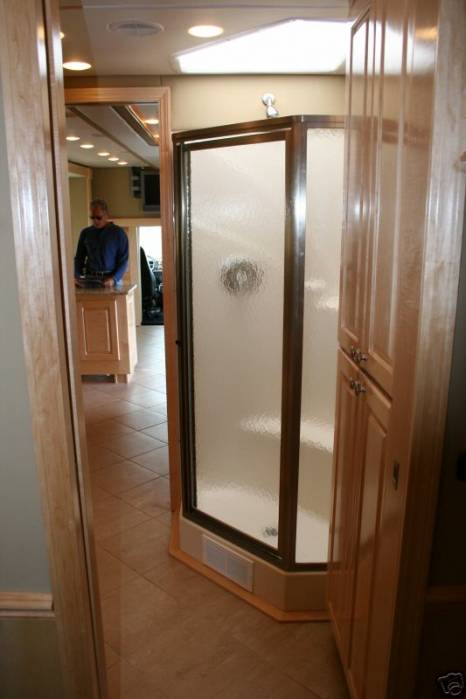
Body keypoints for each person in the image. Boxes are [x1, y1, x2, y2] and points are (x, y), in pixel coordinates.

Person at [74, 199, 129, 287]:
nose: (95, 221)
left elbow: (124, 260)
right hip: (90, 279)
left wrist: (114, 279)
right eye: (92, 218)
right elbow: (79, 258)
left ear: (106, 215)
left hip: (112, 279)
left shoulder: (118, 233)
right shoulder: (85, 233)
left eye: (98, 217)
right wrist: (76, 276)